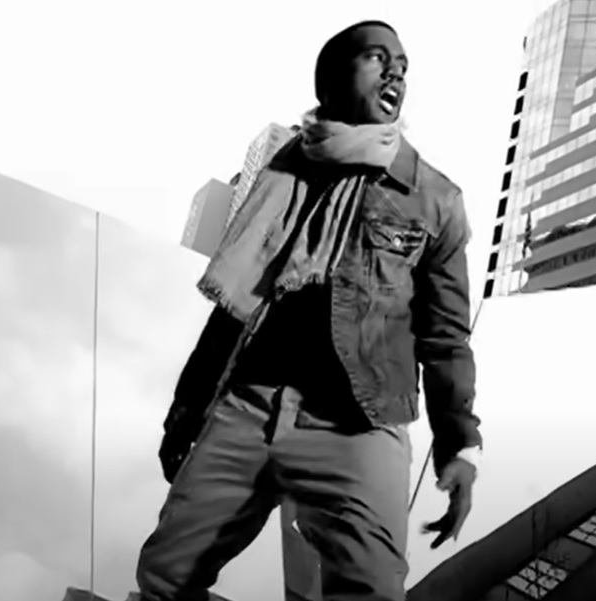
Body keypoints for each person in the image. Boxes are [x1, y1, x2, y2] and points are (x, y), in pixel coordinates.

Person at [136, 20, 482, 601]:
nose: (396, 72)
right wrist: (188, 406)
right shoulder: (285, 171)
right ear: (332, 77)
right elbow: (235, 306)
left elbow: (445, 334)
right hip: (251, 405)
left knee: (371, 592)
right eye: (378, 57)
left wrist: (460, 444)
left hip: (359, 422)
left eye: (403, 65)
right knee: (165, 576)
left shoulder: (435, 198)